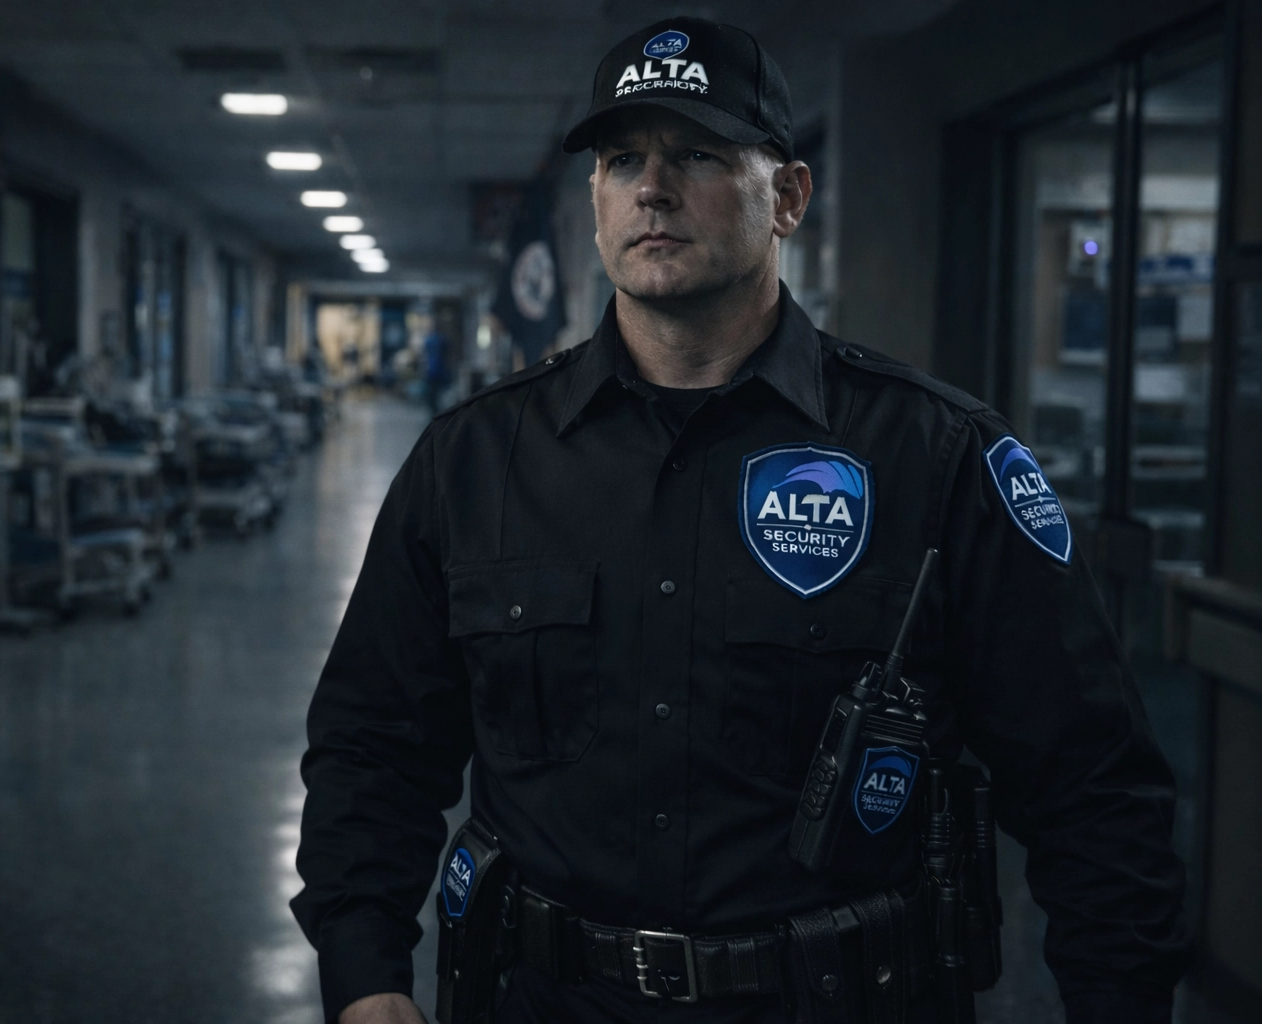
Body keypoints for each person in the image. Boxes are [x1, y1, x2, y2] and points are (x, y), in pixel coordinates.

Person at [292, 17, 1189, 1024]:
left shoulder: (938, 460)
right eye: (623, 158)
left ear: (790, 198)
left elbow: (1095, 790)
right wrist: (364, 973)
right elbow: (373, 745)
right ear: (595, 199)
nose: (652, 188)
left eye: (699, 154)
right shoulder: (472, 463)